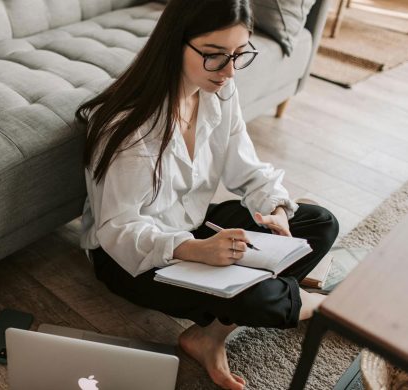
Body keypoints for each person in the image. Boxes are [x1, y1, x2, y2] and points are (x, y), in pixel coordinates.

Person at [75, 0, 339, 389]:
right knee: (259, 297)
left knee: (318, 224)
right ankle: (319, 304)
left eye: (239, 54)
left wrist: (276, 210)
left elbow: (246, 168)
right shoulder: (128, 127)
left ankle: (209, 334)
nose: (230, 71)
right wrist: (195, 251)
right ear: (174, 43)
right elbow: (119, 229)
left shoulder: (219, 92)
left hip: (195, 226)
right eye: (215, 56)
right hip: (134, 257)